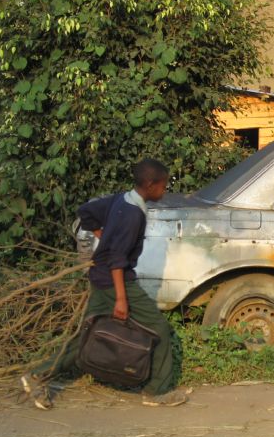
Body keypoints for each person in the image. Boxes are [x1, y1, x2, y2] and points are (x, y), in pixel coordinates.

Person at [20, 158, 187, 409]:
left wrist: (103, 236)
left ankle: (36, 376)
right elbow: (118, 260)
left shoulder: (122, 199)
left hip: (100, 277)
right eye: (163, 185)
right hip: (115, 282)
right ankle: (156, 391)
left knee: (86, 336)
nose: (165, 190)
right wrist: (121, 298)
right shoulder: (133, 215)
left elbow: (86, 211)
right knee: (160, 330)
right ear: (151, 185)